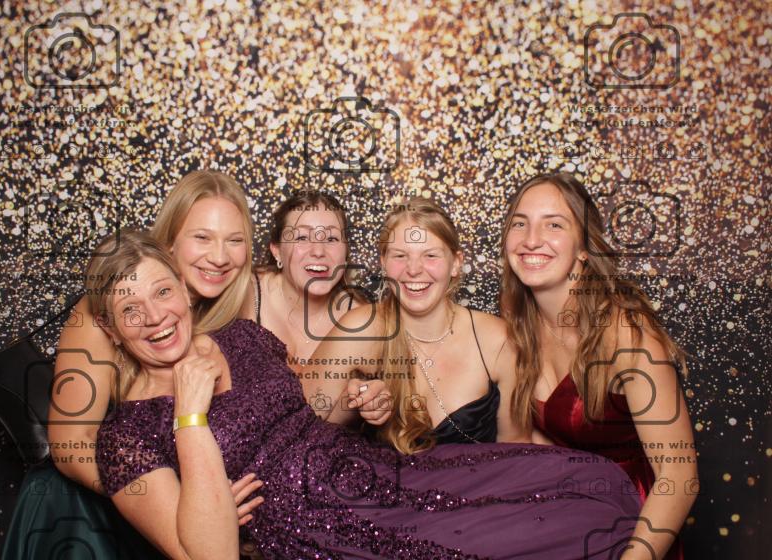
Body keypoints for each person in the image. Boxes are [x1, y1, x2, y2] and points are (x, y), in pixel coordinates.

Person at [93, 231, 641, 558]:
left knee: (592, 483)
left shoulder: (243, 337)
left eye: (162, 291)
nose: (155, 316)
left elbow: (313, 410)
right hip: (327, 534)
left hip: (383, 474)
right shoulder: (124, 435)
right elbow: (210, 554)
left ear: (184, 291)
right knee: (549, 537)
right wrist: (191, 421)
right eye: (130, 310)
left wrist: (364, 398)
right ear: (112, 331)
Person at [2, 171, 264, 559]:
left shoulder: (238, 301)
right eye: (202, 238)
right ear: (169, 242)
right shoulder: (97, 314)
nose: (220, 256)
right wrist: (177, 500)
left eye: (235, 241)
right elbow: (71, 444)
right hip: (89, 506)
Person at [499, 172, 697, 559]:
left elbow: (679, 476)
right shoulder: (516, 320)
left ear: (584, 249)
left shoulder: (627, 335)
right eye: (519, 223)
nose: (531, 239)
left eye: (554, 225)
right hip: (563, 521)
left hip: (633, 527)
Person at [302, 197, 526, 449]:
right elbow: (297, 428)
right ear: (383, 263)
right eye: (400, 255)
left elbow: (516, 450)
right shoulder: (359, 329)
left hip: (483, 475)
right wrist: (351, 405)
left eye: (430, 255)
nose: (414, 269)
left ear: (456, 263)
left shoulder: (498, 339)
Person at [251, 190, 360, 367]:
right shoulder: (245, 294)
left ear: (346, 253)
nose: (318, 251)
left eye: (331, 238)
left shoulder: (361, 319)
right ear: (277, 250)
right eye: (302, 237)